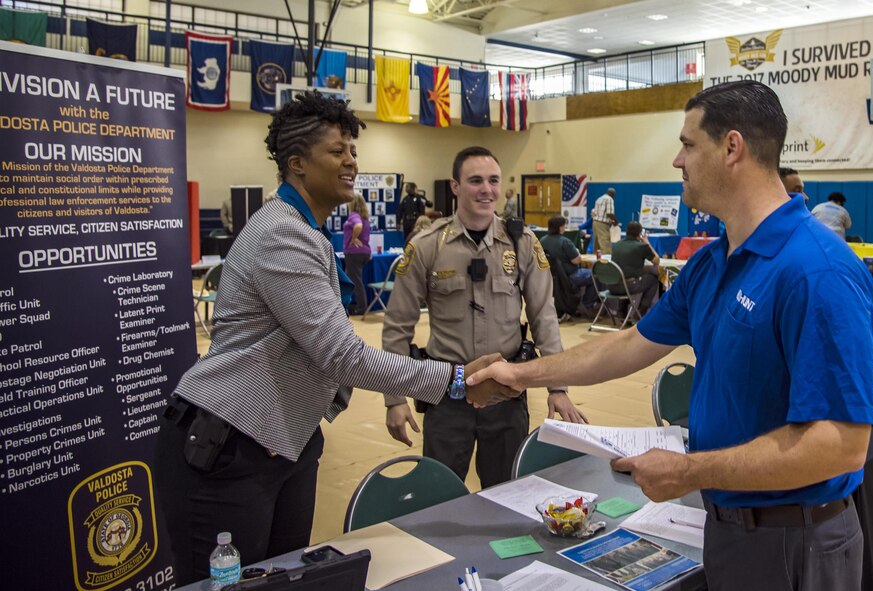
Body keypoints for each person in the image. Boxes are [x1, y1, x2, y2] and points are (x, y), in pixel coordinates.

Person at [468, 81, 873, 591]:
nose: (677, 161)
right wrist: (520, 373)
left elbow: (838, 446)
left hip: (798, 540)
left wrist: (690, 471)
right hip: (728, 529)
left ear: (732, 148)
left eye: (688, 145)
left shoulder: (817, 271)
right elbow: (626, 345)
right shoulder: (713, 263)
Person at [153, 93, 516, 584]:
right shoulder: (281, 233)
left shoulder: (308, 230)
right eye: (338, 151)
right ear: (298, 164)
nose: (351, 162)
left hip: (285, 443)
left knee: (283, 579)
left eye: (353, 150)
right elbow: (340, 354)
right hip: (229, 445)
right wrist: (456, 379)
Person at [381, 146, 588, 489]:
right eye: (475, 180)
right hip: (446, 394)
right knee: (439, 495)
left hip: (506, 394)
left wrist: (558, 387)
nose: (486, 190)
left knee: (508, 492)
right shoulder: (427, 246)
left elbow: (544, 318)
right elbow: (396, 328)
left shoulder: (523, 244)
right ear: (455, 187)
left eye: (493, 180)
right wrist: (394, 397)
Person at [539, 216, 597, 316]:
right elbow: (576, 260)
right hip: (569, 276)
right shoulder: (565, 242)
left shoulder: (542, 241)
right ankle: (587, 305)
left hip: (550, 277)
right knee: (595, 276)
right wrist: (578, 252)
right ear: (560, 227)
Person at [609, 221, 661, 316]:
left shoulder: (616, 245)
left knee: (628, 277)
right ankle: (642, 310)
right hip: (628, 287)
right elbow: (657, 261)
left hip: (612, 287)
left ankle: (622, 310)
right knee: (653, 278)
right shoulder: (641, 246)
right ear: (640, 233)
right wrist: (647, 242)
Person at [343, 193, 372, 315]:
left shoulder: (354, 215)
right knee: (348, 278)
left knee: (355, 281)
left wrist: (354, 238)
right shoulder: (364, 217)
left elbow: (358, 226)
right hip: (364, 251)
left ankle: (361, 307)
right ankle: (349, 304)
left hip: (354, 252)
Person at [591, 187, 618, 254]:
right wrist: (616, 221)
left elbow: (598, 213)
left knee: (597, 245)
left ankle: (596, 261)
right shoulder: (609, 199)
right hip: (602, 224)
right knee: (605, 244)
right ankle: (606, 262)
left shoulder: (599, 199)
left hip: (595, 222)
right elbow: (609, 213)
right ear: (613, 194)